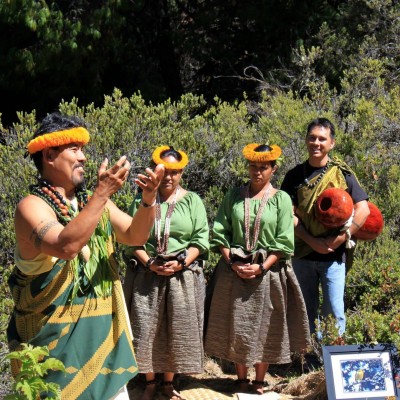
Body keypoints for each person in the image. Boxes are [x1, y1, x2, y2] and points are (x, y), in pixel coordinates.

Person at [7, 112, 164, 400]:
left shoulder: (91, 204)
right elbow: (65, 246)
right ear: (50, 155)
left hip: (103, 342)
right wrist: (102, 194)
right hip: (54, 351)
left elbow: (134, 235)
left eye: (84, 150)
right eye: (74, 150)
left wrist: (148, 199)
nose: (83, 158)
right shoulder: (31, 207)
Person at [204, 143, 310, 395]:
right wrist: (232, 262)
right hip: (234, 270)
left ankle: (259, 380)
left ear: (273, 170)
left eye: (263, 168)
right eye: (253, 166)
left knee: (267, 324)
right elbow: (220, 232)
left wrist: (261, 266)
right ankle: (240, 379)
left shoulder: (282, 199)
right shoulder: (234, 196)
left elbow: (285, 240)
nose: (257, 172)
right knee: (238, 323)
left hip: (270, 272)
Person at [123, 145, 209, 400]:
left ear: (181, 173)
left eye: (175, 172)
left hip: (181, 276)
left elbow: (200, 239)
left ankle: (169, 383)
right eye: (165, 171)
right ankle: (149, 382)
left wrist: (181, 263)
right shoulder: (142, 201)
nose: (169, 177)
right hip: (147, 275)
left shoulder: (192, 201)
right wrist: (149, 262)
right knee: (146, 327)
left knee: (176, 328)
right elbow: (130, 240)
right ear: (155, 172)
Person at [281, 117, 370, 337]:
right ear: (306, 140)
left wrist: (338, 239)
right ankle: (307, 361)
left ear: (332, 143)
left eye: (322, 139)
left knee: (334, 310)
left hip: (334, 256)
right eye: (312, 138)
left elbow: (364, 209)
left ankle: (333, 359)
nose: (316, 143)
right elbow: (287, 214)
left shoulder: (342, 174)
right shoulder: (294, 176)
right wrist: (313, 241)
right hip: (303, 253)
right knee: (304, 310)